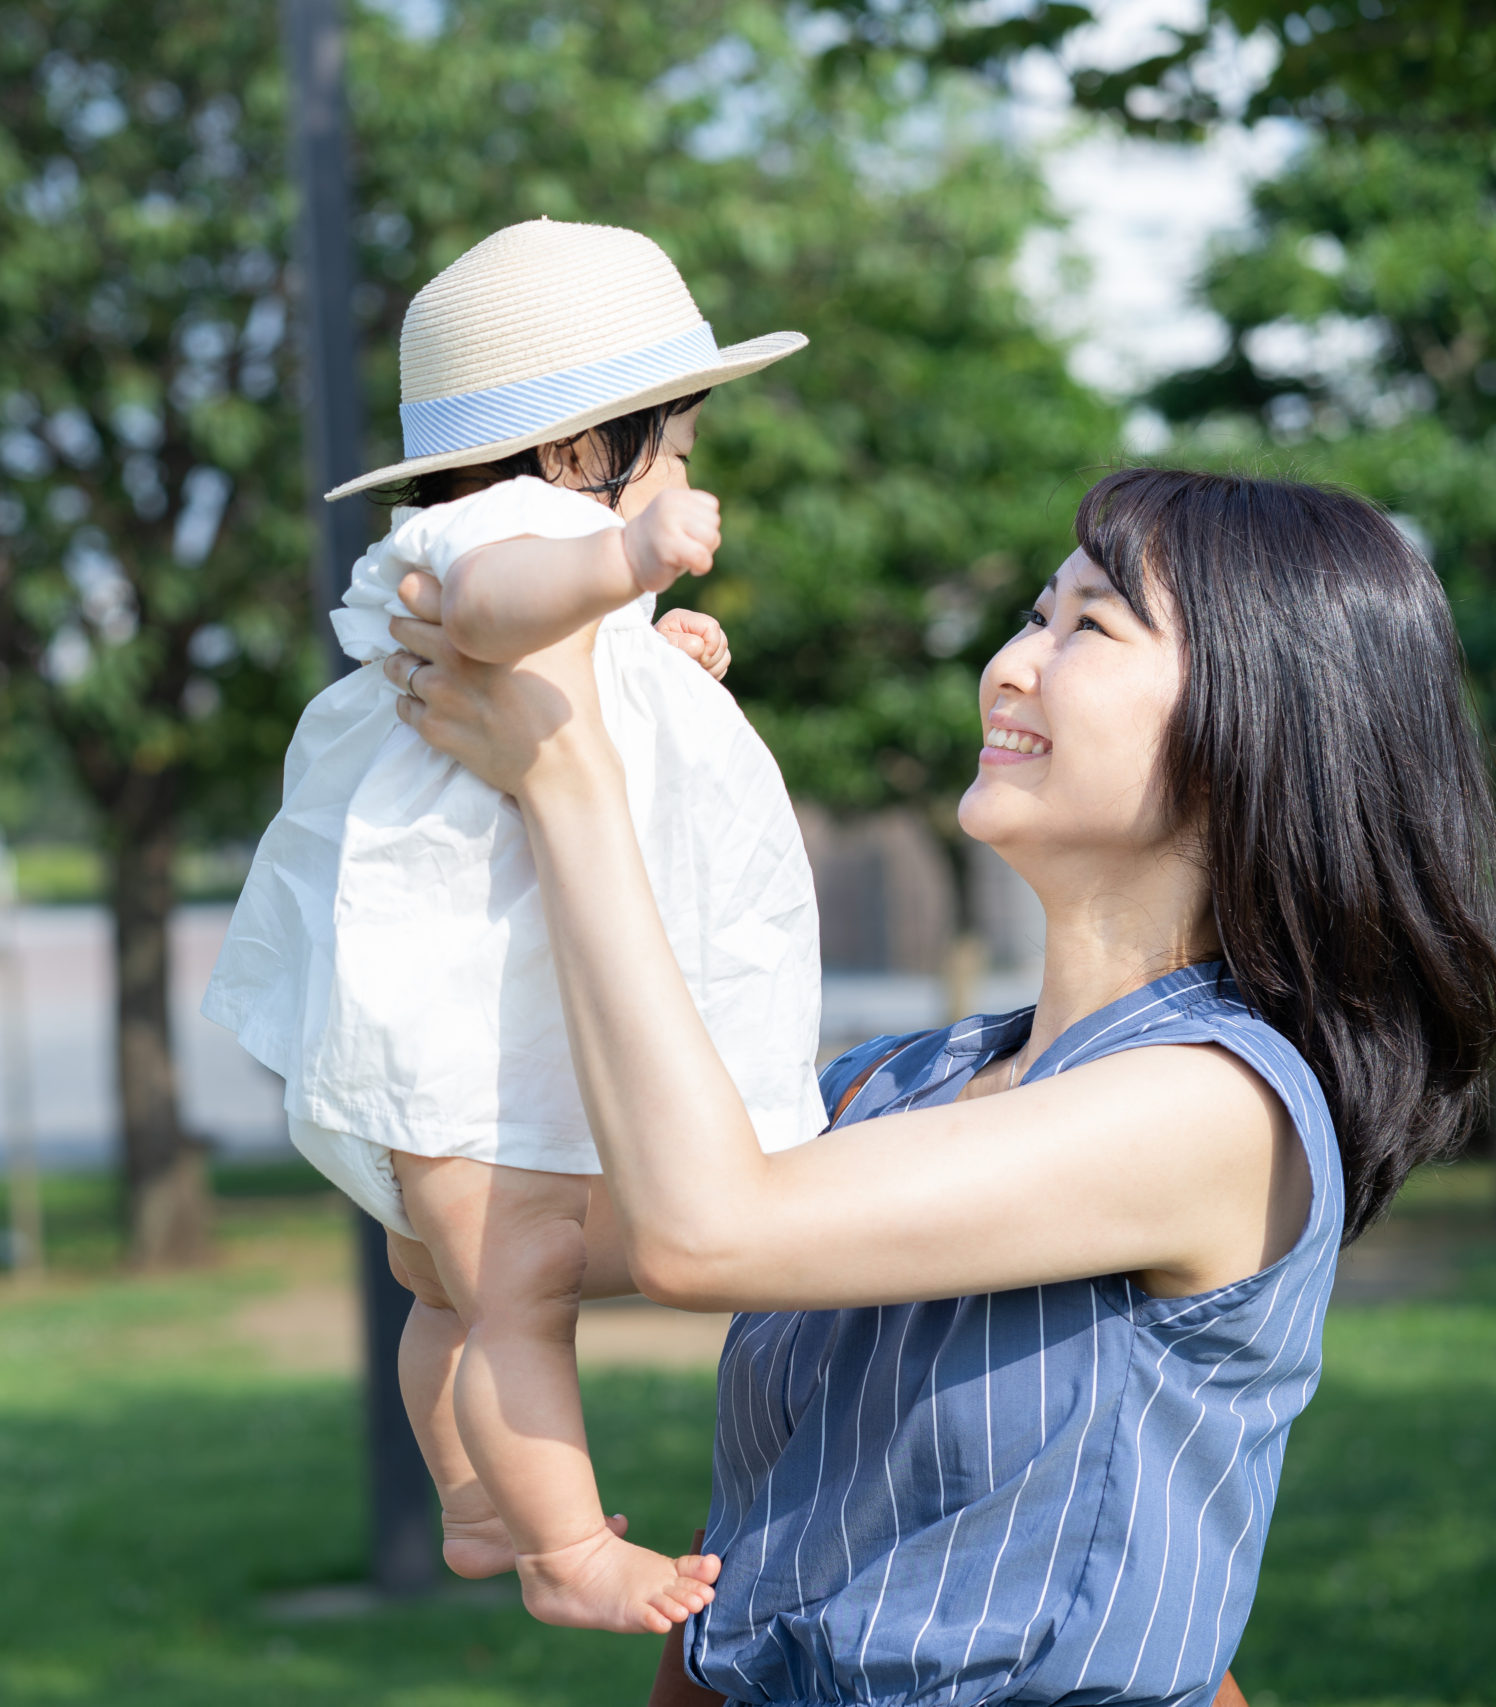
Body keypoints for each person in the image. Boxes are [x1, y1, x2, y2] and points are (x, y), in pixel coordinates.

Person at [379, 467, 1496, 1703]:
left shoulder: (1214, 1107)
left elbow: (705, 1235)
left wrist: (568, 782)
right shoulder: (899, 1084)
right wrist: (553, 764)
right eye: (1033, 613)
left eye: (1090, 627)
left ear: (1261, 719)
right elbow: (468, 1245)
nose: (1013, 663)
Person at [204, 218, 825, 1633]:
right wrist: (626, 567)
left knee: (445, 1283)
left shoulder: (553, 546)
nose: (682, 475)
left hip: (427, 1011)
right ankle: (565, 1551)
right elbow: (494, 604)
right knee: (520, 1290)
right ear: (571, 454)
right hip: (459, 1014)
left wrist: (646, 645)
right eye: (668, 446)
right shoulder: (514, 537)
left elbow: (547, 662)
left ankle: (479, 1499)